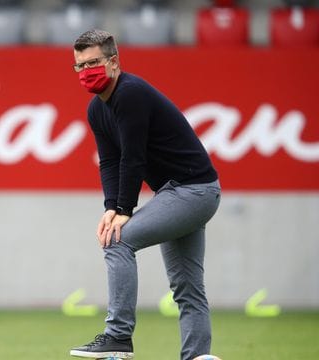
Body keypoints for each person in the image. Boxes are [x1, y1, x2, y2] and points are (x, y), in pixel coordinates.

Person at [68, 29, 221, 360]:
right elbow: (110, 161)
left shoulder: (130, 93)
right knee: (188, 288)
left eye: (92, 62)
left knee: (118, 240)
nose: (85, 71)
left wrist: (124, 209)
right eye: (79, 66)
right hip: (181, 192)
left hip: (193, 190)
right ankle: (198, 356)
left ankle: (118, 336)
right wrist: (111, 207)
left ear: (113, 61)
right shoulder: (97, 109)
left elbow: (132, 158)